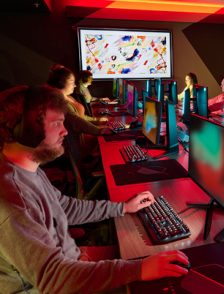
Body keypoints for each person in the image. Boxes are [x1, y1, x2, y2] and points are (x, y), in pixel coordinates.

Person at [0, 85, 189, 293]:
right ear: (28, 132)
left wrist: (122, 208)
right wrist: (139, 269)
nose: (65, 131)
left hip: (68, 262)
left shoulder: (25, 169)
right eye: (57, 123)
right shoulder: (14, 200)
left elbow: (64, 207)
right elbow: (54, 279)